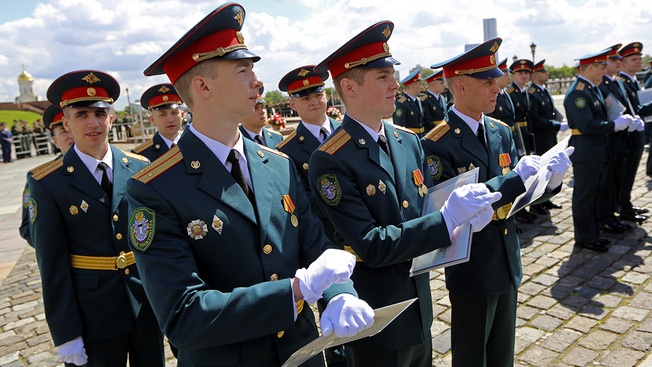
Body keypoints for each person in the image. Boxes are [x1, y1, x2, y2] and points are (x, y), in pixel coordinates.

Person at [127, 3, 374, 366]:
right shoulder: (155, 187)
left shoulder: (277, 165)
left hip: (299, 353)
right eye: (243, 70)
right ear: (202, 86)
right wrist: (294, 291)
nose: (258, 82)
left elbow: (314, 246)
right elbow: (182, 315)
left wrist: (338, 294)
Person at [309, 21, 500, 367]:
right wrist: (445, 221)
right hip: (376, 315)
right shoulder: (331, 159)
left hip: (418, 303)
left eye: (392, 75)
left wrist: (463, 220)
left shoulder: (408, 141)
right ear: (349, 86)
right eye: (383, 77)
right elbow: (372, 244)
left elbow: (423, 210)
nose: (395, 85)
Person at [422, 38, 572, 367]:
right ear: (459, 86)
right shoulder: (437, 143)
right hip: (473, 266)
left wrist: (550, 182)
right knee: (472, 354)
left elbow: (519, 193)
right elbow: (447, 211)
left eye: (496, 80)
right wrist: (513, 180)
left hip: (507, 257)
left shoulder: (500, 131)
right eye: (488, 82)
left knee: (503, 353)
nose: (497, 88)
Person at [27, 70, 164, 367]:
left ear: (111, 119)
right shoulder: (49, 182)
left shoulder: (140, 167)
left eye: (100, 113)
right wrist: (66, 334)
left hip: (145, 306)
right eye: (82, 114)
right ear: (66, 122)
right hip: (93, 317)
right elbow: (52, 265)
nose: (93, 123)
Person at [276, 65, 346, 366]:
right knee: (334, 321)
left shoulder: (349, 134)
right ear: (292, 104)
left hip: (364, 242)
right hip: (321, 244)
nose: (314, 101)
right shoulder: (287, 150)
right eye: (304, 98)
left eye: (317, 94)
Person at [565, 49, 634, 252]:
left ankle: (593, 232)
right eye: (602, 66)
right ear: (591, 67)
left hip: (597, 150)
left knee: (595, 195)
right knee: (585, 196)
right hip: (586, 151)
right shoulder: (578, 91)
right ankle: (584, 236)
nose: (605, 70)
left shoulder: (591, 88)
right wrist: (614, 126)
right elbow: (587, 126)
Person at [19, 105, 74, 247]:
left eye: (74, 128)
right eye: (64, 131)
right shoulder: (40, 178)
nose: (72, 135)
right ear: (55, 141)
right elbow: (28, 228)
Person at [595, 44, 636, 234]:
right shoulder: (602, 84)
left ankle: (612, 214)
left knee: (617, 178)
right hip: (610, 139)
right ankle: (605, 217)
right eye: (614, 60)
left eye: (620, 59)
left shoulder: (615, 81)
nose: (619, 62)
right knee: (608, 181)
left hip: (620, 139)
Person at [617, 42, 652, 223]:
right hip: (628, 137)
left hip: (637, 135)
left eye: (639, 58)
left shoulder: (632, 81)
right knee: (626, 173)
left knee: (630, 173)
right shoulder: (622, 83)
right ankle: (624, 207)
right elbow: (633, 110)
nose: (639, 61)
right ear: (622, 63)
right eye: (633, 59)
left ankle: (626, 204)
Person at [527, 59, 566, 213]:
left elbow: (552, 112)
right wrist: (556, 125)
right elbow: (535, 119)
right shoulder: (532, 93)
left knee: (550, 168)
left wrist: (560, 120)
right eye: (543, 71)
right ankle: (536, 203)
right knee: (540, 170)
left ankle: (546, 199)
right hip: (539, 137)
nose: (547, 73)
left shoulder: (544, 90)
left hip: (549, 136)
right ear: (535, 75)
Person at [132, 83, 184, 162]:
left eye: (174, 113)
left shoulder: (197, 145)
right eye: (163, 114)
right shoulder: (141, 156)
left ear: (182, 115)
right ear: (152, 120)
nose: (170, 120)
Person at [507, 59, 536, 156]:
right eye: (520, 73)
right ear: (514, 75)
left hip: (526, 132)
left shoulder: (525, 91)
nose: (524, 75)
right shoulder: (510, 93)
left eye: (526, 73)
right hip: (517, 135)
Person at [392, 69, 427, 136]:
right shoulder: (401, 104)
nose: (422, 87)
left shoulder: (418, 101)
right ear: (413, 87)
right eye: (420, 84)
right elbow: (400, 127)